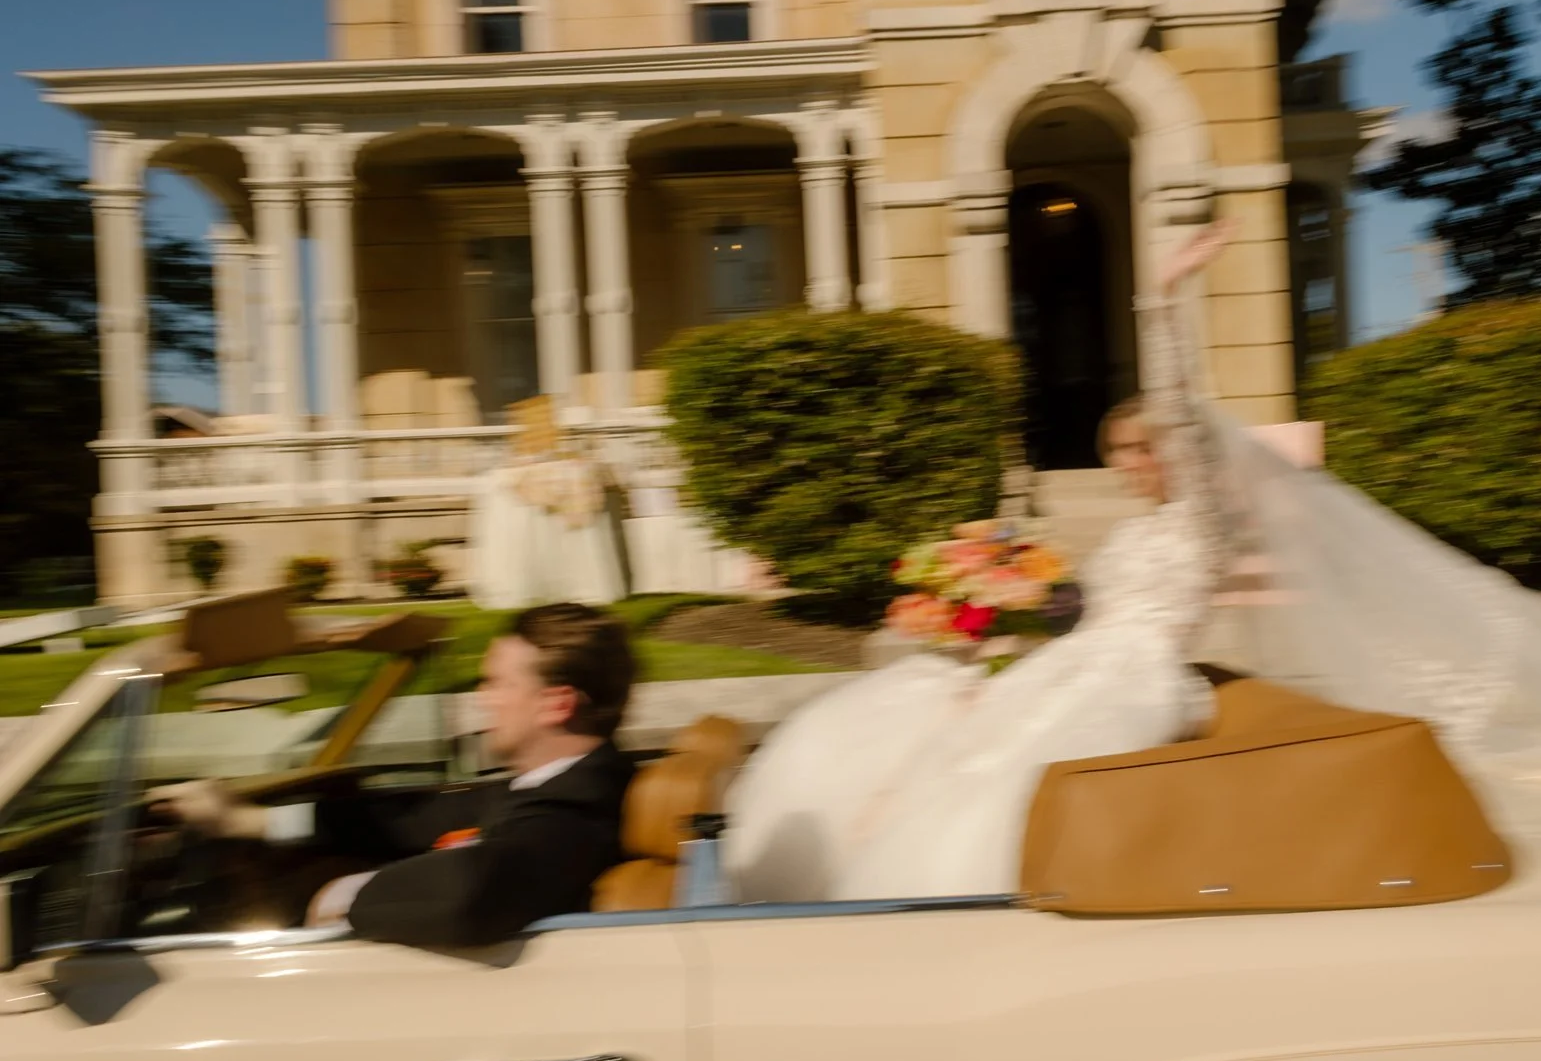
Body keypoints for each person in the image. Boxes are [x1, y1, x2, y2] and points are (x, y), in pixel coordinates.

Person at [723, 221, 1237, 903]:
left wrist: (1167, 301)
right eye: (1119, 452)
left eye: (1140, 449)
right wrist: (1010, 606)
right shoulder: (1137, 532)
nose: (1126, 466)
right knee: (932, 714)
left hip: (1136, 674)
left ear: (1176, 449)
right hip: (1076, 661)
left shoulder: (1202, 520)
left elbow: (1180, 403)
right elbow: (1080, 611)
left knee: (999, 771)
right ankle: (844, 866)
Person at [151, 602, 635, 947]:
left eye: (497, 683)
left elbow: (468, 894)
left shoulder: (573, 812)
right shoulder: (552, 784)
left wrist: (340, 895)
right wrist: (248, 822)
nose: (482, 696)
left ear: (557, 703)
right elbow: (411, 817)